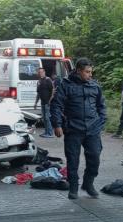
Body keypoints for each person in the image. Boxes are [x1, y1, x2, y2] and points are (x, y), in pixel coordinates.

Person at [50, 58, 107, 200]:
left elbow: (101, 106)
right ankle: (73, 187)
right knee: (73, 160)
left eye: (91, 72)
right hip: (73, 129)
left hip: (93, 129)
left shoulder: (94, 85)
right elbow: (56, 105)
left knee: (94, 158)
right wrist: (57, 125)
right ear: (78, 71)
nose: (90, 75)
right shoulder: (66, 85)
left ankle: (88, 183)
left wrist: (100, 122)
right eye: (87, 72)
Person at [34, 67, 55, 138]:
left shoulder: (48, 80)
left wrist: (50, 101)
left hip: (47, 102)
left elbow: (53, 90)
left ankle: (50, 133)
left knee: (47, 118)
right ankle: (46, 132)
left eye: (41, 72)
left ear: (44, 72)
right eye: (39, 72)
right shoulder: (39, 82)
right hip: (42, 102)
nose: (40, 73)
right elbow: (38, 93)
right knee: (44, 118)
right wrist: (35, 103)